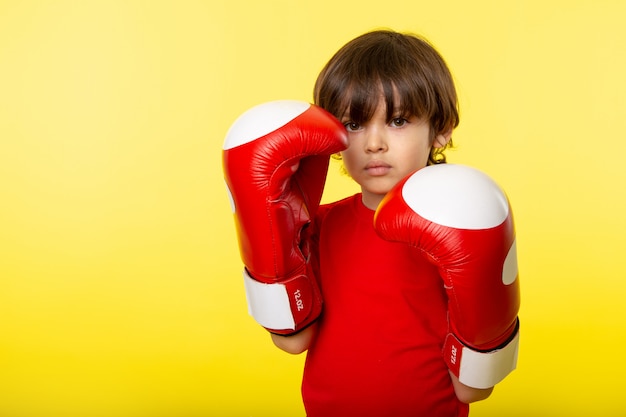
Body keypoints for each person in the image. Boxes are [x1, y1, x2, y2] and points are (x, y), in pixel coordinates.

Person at [223, 29, 520, 417]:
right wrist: (270, 248)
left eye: (398, 121)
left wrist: (485, 340)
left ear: (441, 130)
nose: (373, 143)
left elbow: (471, 391)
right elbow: (294, 342)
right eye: (353, 123)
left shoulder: (463, 225)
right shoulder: (319, 224)